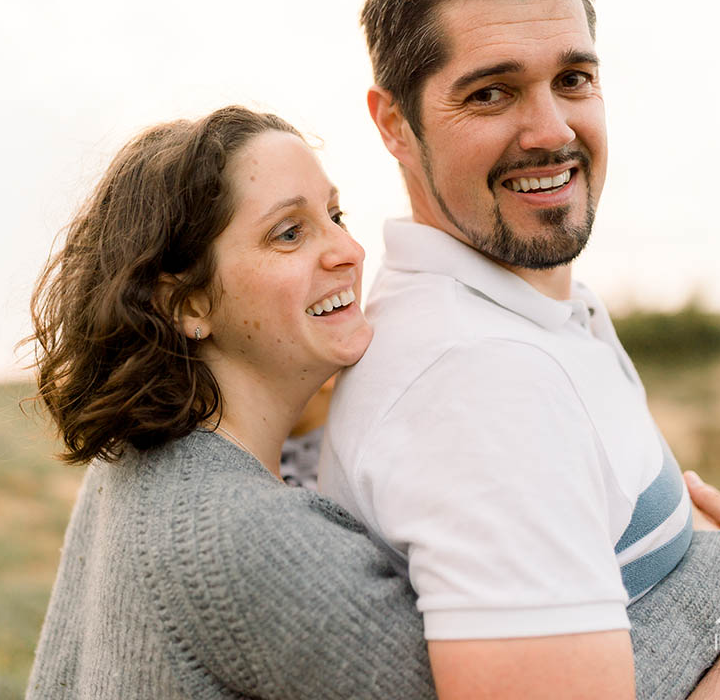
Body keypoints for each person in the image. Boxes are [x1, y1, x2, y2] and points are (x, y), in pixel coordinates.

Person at [318, 0, 720, 698]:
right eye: (490, 93)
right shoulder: (477, 384)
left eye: (572, 79)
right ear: (394, 125)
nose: (551, 131)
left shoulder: (537, 311)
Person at [24, 106, 436, 699]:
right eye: (289, 233)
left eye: (335, 214)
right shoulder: (250, 540)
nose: (349, 249)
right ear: (187, 306)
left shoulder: (127, 466)